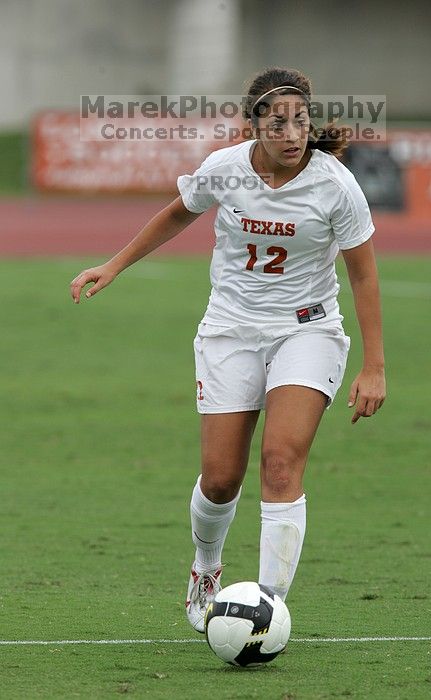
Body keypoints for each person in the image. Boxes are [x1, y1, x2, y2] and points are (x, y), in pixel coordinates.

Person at [70, 67, 386, 634]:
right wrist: (112, 265)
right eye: (278, 122)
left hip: (306, 330)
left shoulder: (335, 184)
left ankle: (268, 607)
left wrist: (374, 366)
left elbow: (363, 276)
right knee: (219, 479)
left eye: (301, 121)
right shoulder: (226, 169)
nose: (292, 135)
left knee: (281, 462)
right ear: (254, 126)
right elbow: (176, 213)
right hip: (230, 331)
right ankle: (206, 569)